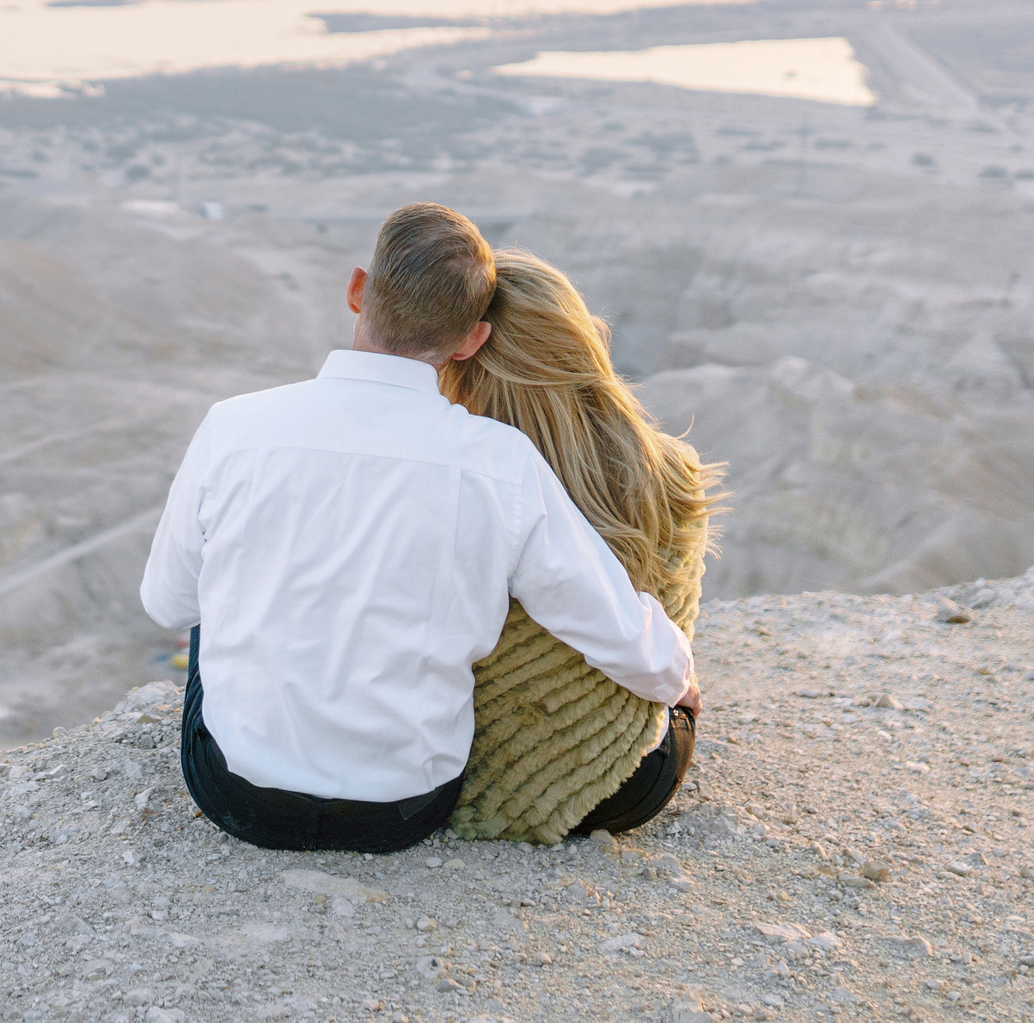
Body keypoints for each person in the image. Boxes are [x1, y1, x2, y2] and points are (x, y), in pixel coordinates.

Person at [138, 202, 696, 854]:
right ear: (470, 341)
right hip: (400, 809)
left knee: (214, 588)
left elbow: (168, 601)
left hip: (237, 796)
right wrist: (677, 681)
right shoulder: (501, 464)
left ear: (357, 290)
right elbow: (609, 624)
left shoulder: (232, 427)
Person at [439, 249, 720, 838]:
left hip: (451, 775)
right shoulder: (666, 472)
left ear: (464, 358)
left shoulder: (456, 475)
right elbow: (672, 625)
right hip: (627, 778)